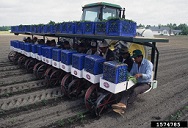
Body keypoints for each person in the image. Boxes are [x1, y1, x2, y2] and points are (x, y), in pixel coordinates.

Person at [112, 49, 153, 114]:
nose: (134, 59)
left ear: (140, 57)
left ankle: (126, 106)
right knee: (127, 87)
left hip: (145, 83)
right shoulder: (135, 63)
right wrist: (129, 76)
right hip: (137, 81)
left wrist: (140, 75)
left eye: (135, 58)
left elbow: (149, 76)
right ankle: (121, 103)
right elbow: (132, 72)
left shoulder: (148, 64)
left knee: (135, 90)